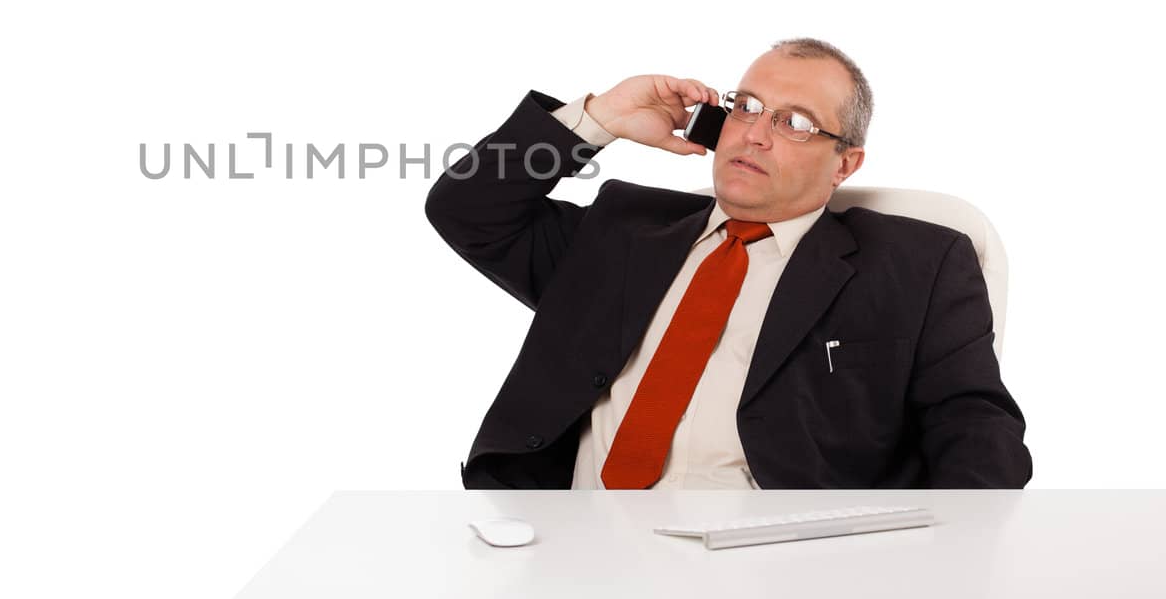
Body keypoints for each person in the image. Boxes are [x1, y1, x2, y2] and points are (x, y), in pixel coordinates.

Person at [424, 38, 1032, 490]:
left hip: (778, 559)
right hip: (574, 543)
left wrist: (958, 557)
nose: (754, 134)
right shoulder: (623, 230)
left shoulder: (916, 266)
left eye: (794, 123)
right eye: (745, 107)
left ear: (845, 165)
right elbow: (466, 207)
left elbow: (973, 422)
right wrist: (599, 118)